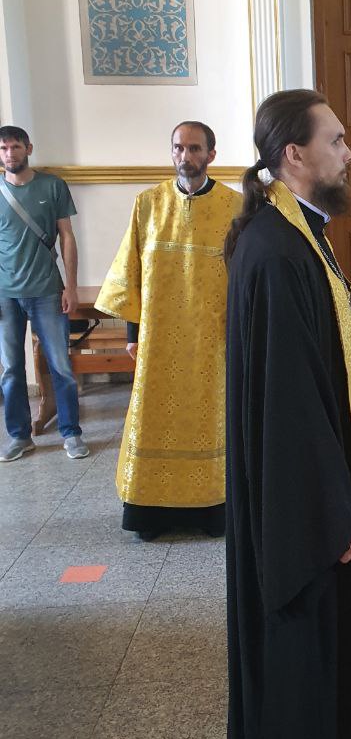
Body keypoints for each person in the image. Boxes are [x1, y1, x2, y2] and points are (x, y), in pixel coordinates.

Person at [223, 88, 351, 739]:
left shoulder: (292, 232)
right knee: (310, 631)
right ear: (294, 155)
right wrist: (333, 515)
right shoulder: (279, 249)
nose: (348, 153)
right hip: (305, 499)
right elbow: (290, 402)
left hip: (308, 479)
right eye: (337, 140)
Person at [96, 122, 240, 540]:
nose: (185, 156)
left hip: (212, 341)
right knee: (156, 419)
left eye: (194, 148)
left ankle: (211, 510)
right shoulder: (148, 204)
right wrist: (132, 333)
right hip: (159, 341)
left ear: (211, 155)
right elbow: (132, 271)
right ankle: (151, 513)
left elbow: (244, 276)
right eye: (178, 148)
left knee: (210, 420)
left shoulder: (235, 208)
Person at [0, 125, 87, 462]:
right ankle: (20, 436)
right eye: (4, 148)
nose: (9, 154)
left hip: (47, 290)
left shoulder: (52, 186)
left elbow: (67, 236)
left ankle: (71, 433)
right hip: (6, 294)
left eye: (15, 147)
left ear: (29, 149)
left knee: (60, 365)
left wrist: (71, 286)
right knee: (11, 369)